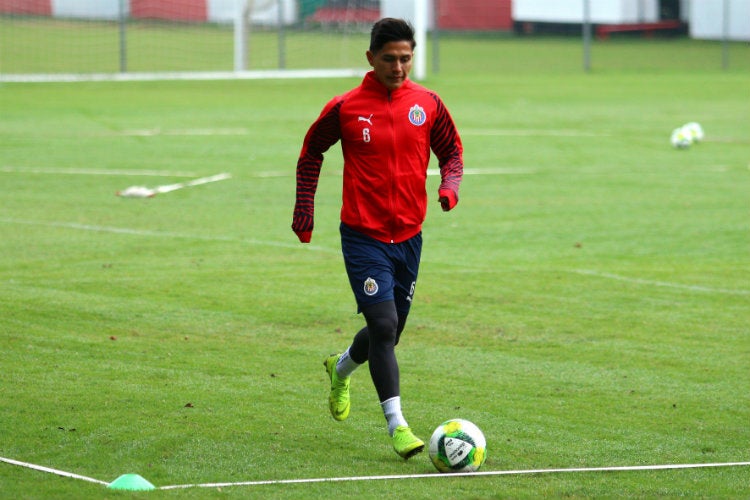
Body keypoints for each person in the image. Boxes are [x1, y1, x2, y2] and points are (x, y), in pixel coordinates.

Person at [292, 17, 463, 460]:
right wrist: (304, 208)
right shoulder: (346, 107)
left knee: (389, 330)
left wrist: (450, 187)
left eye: (406, 58)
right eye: (390, 59)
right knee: (384, 327)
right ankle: (398, 426)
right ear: (371, 58)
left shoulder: (427, 103)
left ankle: (341, 366)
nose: (399, 67)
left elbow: (452, 152)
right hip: (363, 236)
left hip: (409, 236)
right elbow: (312, 151)